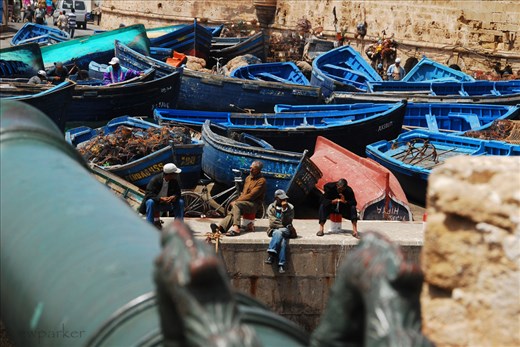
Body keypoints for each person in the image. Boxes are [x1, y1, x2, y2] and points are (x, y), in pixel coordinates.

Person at [210, 160, 266, 237]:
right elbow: (243, 193)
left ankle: (236, 228)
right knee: (234, 211)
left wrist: (237, 200)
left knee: (237, 204)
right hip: (245, 203)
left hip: (254, 205)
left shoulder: (261, 181)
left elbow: (251, 196)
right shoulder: (248, 178)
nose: (251, 170)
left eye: (253, 169)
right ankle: (221, 228)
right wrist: (238, 200)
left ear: (258, 170)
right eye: (250, 168)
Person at [138, 163, 184, 230]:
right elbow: (148, 194)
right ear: (169, 174)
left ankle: (179, 226)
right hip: (156, 204)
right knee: (150, 202)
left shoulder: (174, 181)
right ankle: (149, 226)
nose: (176, 175)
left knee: (180, 202)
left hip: (168, 204)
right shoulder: (155, 180)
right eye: (175, 173)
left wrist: (174, 196)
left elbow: (178, 193)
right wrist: (160, 199)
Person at [265, 189, 296, 274]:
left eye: (284, 198)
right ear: (276, 198)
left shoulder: (290, 207)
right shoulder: (271, 207)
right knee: (282, 241)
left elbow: (288, 222)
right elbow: (272, 223)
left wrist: (285, 210)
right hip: (274, 230)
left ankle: (271, 254)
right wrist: (283, 225)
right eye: (281, 199)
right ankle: (281, 265)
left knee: (279, 232)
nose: (283, 200)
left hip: (286, 230)